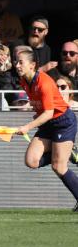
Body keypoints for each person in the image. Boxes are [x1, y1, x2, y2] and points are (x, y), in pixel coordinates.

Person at [14, 49, 78, 211]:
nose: (17, 65)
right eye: (16, 61)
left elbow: (50, 112)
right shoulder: (24, 80)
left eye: (21, 62)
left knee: (58, 167)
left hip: (63, 122)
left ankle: (63, 154)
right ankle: (66, 152)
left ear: (32, 65)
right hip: (48, 125)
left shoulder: (45, 82)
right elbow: (43, 109)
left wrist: (27, 127)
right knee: (31, 161)